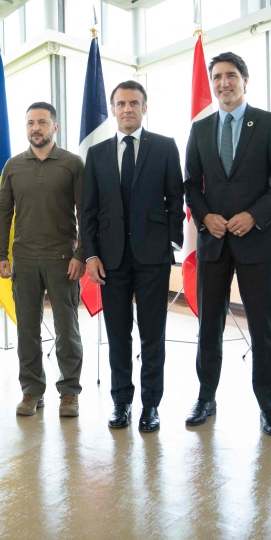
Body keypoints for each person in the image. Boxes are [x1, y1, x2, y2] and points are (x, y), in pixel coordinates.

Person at [184, 52, 271, 436]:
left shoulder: (268, 123)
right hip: (213, 242)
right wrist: (205, 216)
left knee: (263, 326)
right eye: (217, 77)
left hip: (256, 241)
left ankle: (268, 406)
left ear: (245, 80)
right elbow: (189, 186)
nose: (223, 83)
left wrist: (255, 215)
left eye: (231, 76)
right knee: (208, 325)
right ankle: (205, 397)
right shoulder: (200, 129)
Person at [82, 80, 184, 432]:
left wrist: (172, 242)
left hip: (153, 255)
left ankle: (151, 405)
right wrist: (91, 255)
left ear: (145, 107)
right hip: (110, 259)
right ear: (113, 109)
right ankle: (122, 403)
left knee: (152, 334)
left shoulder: (165, 147)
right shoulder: (96, 155)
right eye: (121, 103)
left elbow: (176, 200)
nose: (128, 109)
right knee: (118, 333)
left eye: (134, 103)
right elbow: (89, 211)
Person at [0, 102, 85, 418]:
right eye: (31, 122)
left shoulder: (73, 164)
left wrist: (81, 254)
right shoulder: (13, 166)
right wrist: (0, 255)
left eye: (43, 122)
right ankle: (32, 391)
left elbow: (86, 213)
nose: (36, 128)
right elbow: (3, 212)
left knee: (67, 330)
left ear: (55, 128)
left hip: (64, 261)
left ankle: (70, 392)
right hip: (24, 261)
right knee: (27, 331)